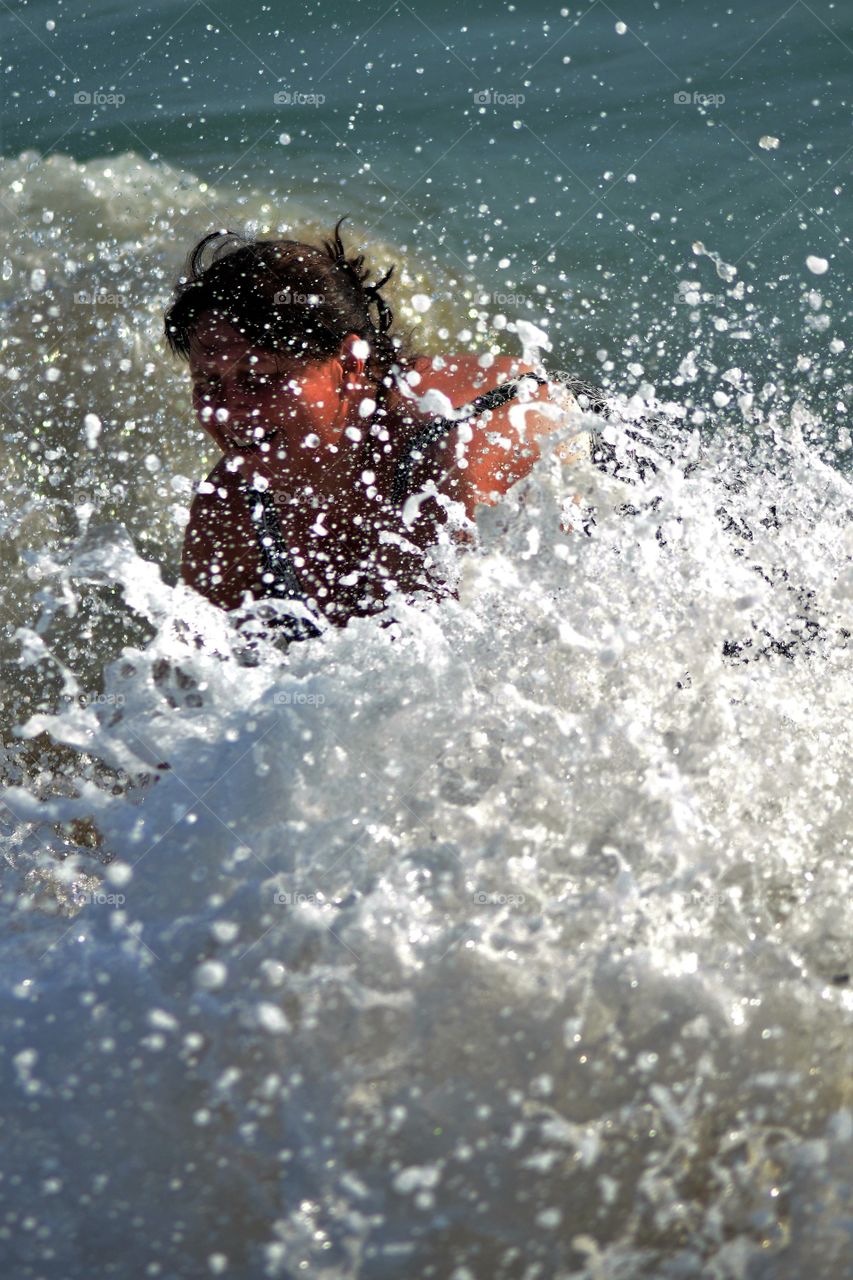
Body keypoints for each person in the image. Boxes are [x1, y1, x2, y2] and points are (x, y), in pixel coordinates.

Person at [163, 218, 589, 640]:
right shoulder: (234, 504)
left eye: (261, 379)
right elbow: (184, 685)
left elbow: (433, 674)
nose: (229, 410)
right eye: (209, 383)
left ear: (350, 362)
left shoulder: (451, 452)